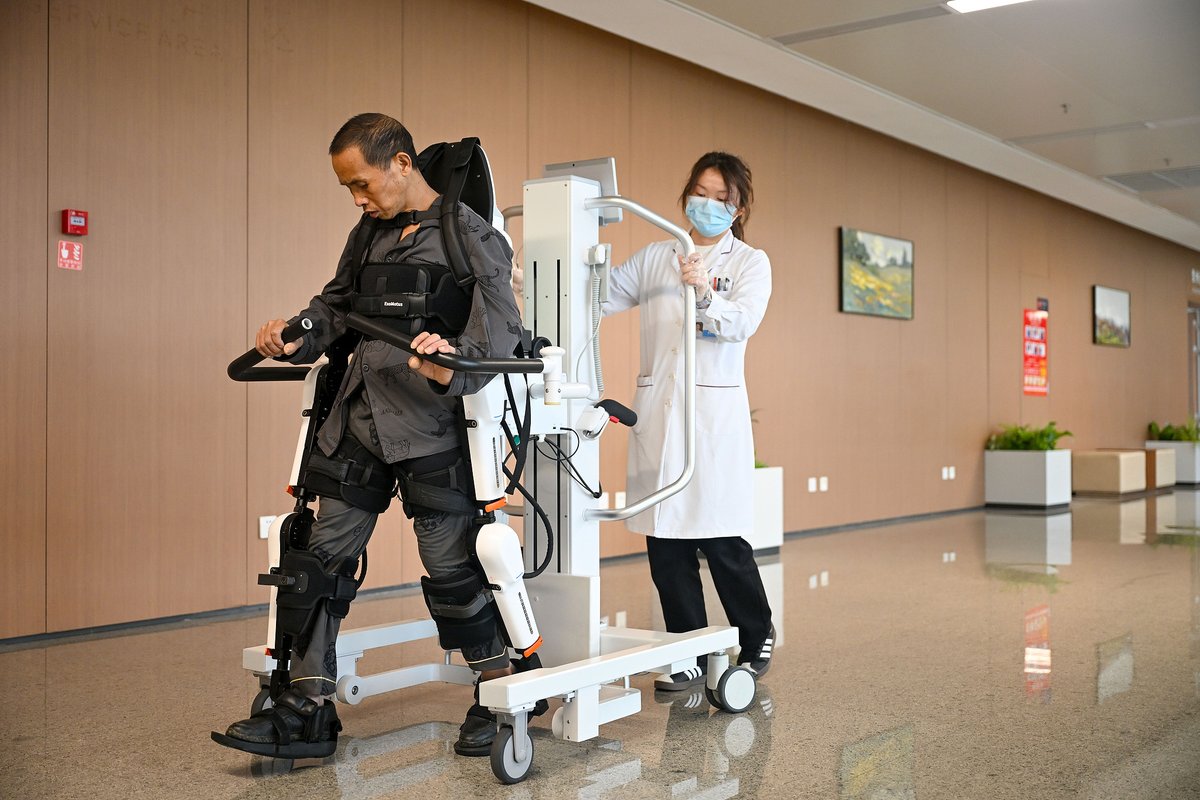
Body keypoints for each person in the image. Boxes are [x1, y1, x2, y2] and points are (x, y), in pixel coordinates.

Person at [213, 113, 523, 759]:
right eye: (348, 189)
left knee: (450, 567)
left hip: (432, 426)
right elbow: (337, 307)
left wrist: (452, 361)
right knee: (318, 561)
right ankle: (306, 709)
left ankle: (499, 690)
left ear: (403, 164)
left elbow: (501, 338)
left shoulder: (472, 238)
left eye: (362, 183)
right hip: (359, 417)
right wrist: (296, 331)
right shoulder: (369, 234)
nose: (358, 198)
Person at [603, 152, 775, 691]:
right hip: (660, 417)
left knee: (722, 539)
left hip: (712, 421)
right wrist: (533, 275)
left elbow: (742, 322)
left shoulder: (749, 262)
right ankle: (687, 651)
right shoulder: (658, 255)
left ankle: (756, 634)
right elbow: (603, 294)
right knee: (666, 542)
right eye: (699, 192)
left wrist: (704, 293)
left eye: (720, 197)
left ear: (738, 205)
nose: (706, 204)